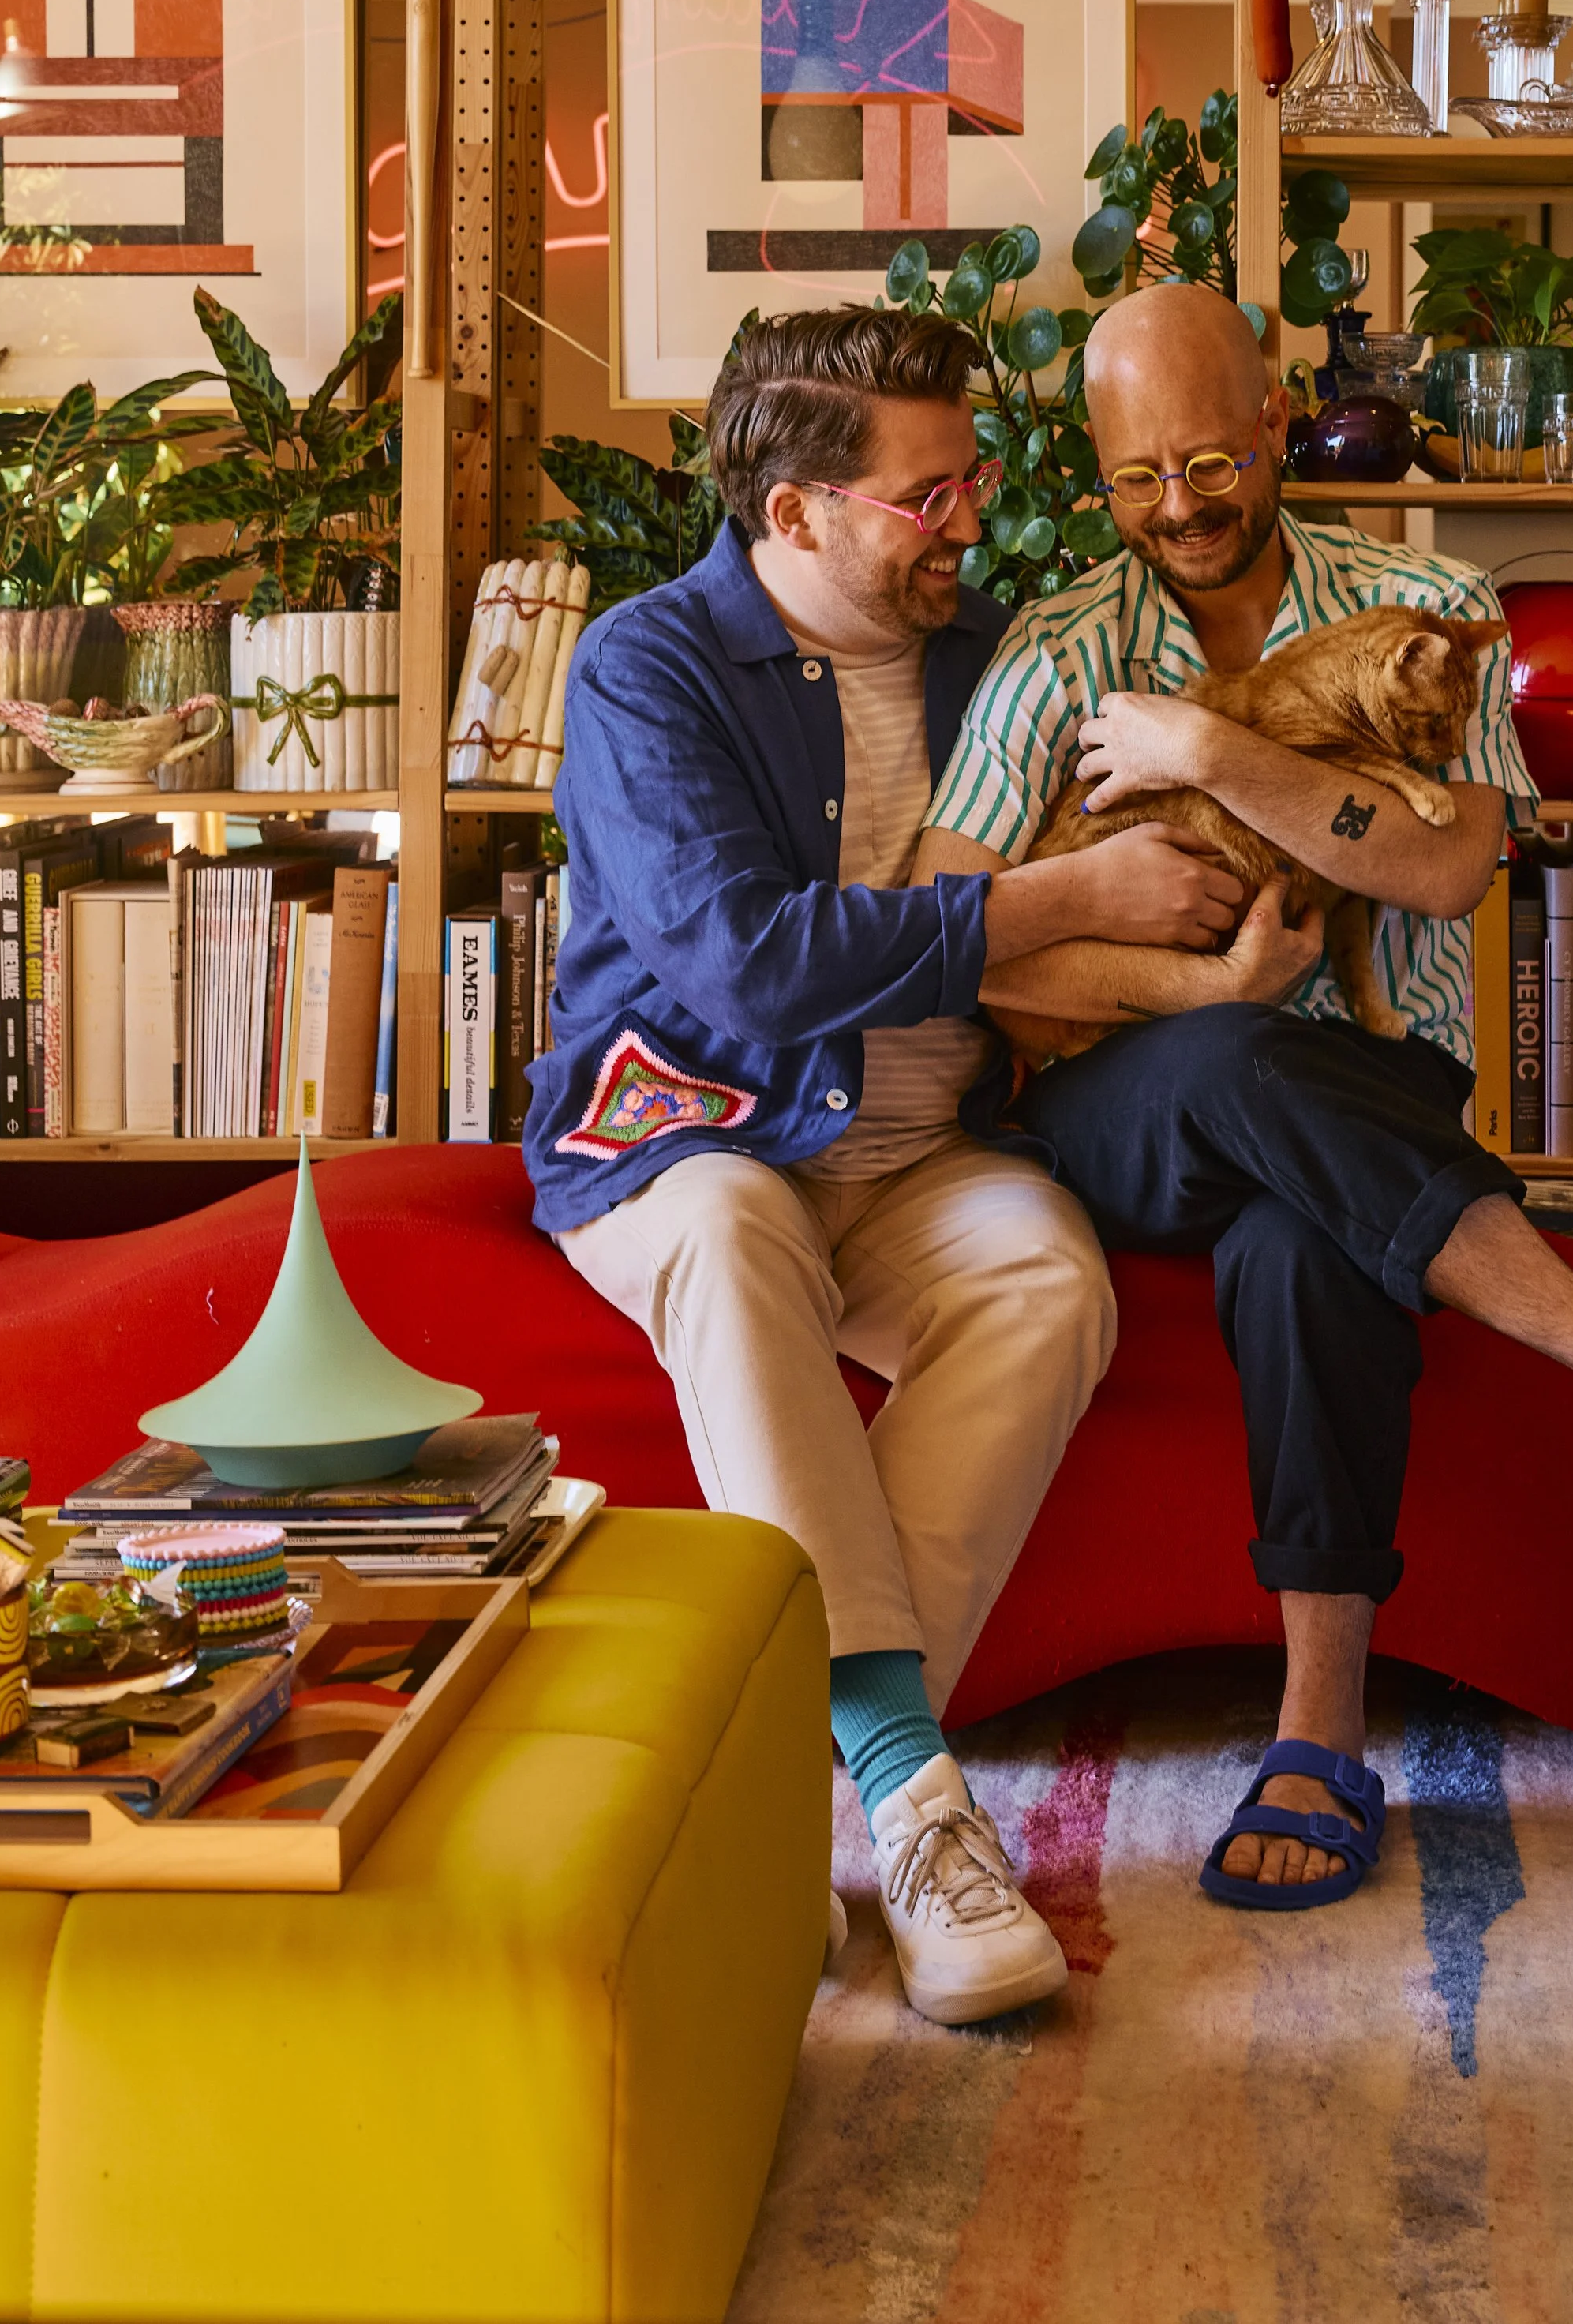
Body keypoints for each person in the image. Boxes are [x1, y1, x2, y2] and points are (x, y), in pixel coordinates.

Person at [916, 282, 1573, 1916]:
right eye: (1135, 478)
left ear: (1275, 417)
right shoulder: (1054, 646)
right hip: (1114, 1091)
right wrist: (1181, 974)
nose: (1176, 508)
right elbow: (954, 942)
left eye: (1205, 459)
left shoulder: (1417, 603)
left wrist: (1209, 751)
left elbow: (1440, 862)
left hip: (1360, 1078)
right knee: (1220, 1054)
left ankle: (1316, 1730)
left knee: (1296, 1237)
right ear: (1096, 472)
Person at [524, 305, 1286, 2025]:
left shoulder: (997, 658)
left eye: (975, 479)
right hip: (696, 1123)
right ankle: (923, 1808)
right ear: (793, 512)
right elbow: (744, 962)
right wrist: (1060, 903)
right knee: (725, 1236)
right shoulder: (647, 664)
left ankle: (784, 1800)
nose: (970, 522)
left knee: (1046, 1276)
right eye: (923, 497)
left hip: (936, 1145)